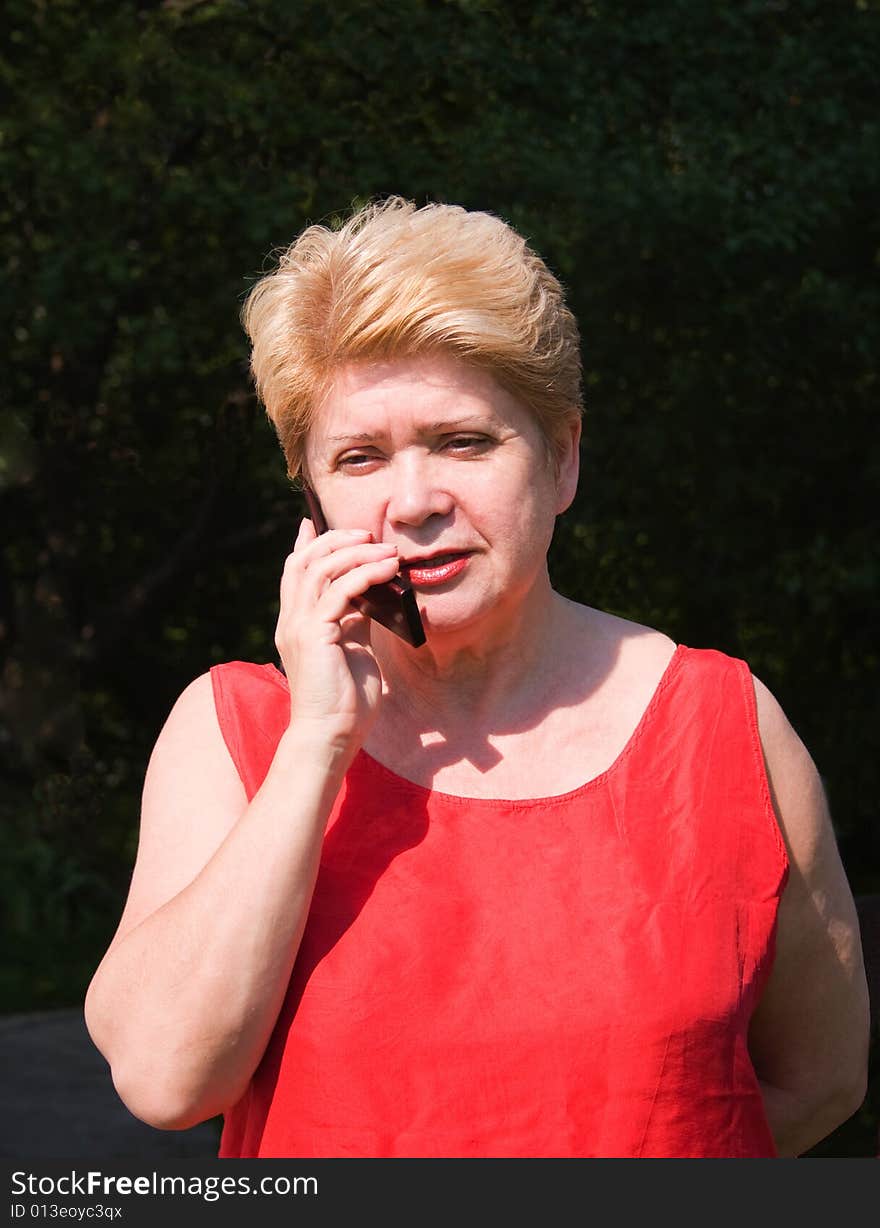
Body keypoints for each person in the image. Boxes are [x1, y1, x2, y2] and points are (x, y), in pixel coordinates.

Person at [84, 197, 869, 1159]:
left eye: (464, 441)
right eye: (360, 457)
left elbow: (820, 1078)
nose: (414, 502)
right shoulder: (235, 728)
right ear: (314, 495)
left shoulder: (724, 723)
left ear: (563, 458)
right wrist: (318, 746)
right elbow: (166, 1080)